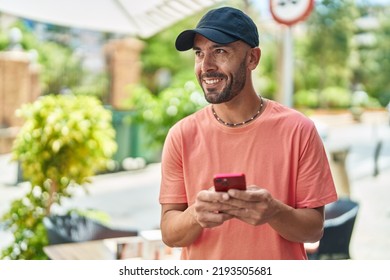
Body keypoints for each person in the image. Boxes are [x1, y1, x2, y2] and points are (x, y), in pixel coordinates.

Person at [159, 6, 337, 260]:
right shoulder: (181, 135)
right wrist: (195, 214)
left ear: (252, 58)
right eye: (199, 53)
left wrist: (274, 212)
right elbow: (169, 233)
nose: (206, 65)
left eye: (220, 51)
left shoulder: (298, 130)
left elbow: (313, 230)